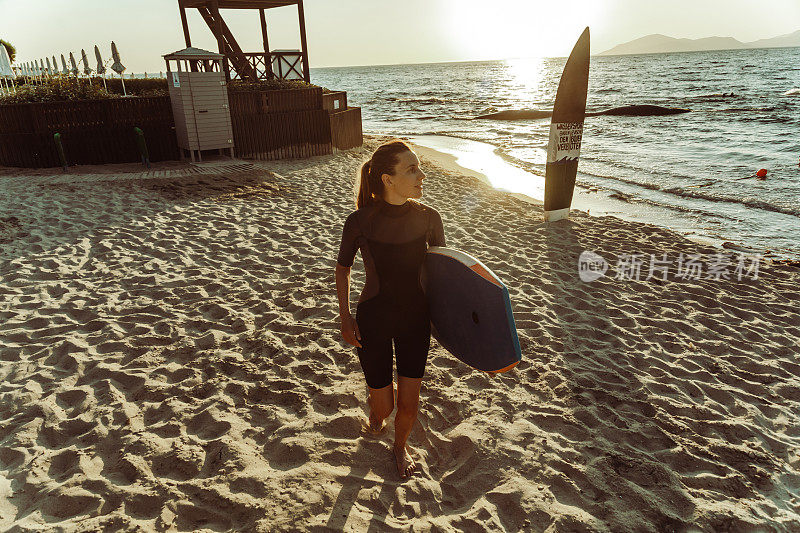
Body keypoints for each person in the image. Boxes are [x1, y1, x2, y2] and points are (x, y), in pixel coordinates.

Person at [335, 139, 446, 478]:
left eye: (419, 167)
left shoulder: (429, 218)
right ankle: (379, 407)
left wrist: (453, 324)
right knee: (382, 409)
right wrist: (345, 316)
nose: (421, 175)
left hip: (415, 320)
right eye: (412, 169)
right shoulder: (359, 221)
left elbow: (445, 272)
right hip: (374, 320)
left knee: (409, 407)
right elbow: (343, 268)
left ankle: (400, 447)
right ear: (387, 179)